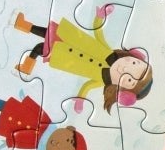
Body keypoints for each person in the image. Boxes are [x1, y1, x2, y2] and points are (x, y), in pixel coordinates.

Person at [12, 8, 153, 111]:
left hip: (64, 56)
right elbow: (98, 33)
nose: (125, 68)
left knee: (39, 48)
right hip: (71, 38)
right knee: (46, 32)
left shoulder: (101, 80)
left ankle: (26, 68)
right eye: (134, 62)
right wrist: (100, 17)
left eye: (129, 80)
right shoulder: (109, 53)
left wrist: (80, 100)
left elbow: (87, 86)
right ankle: (22, 25)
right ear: (133, 55)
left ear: (121, 91)